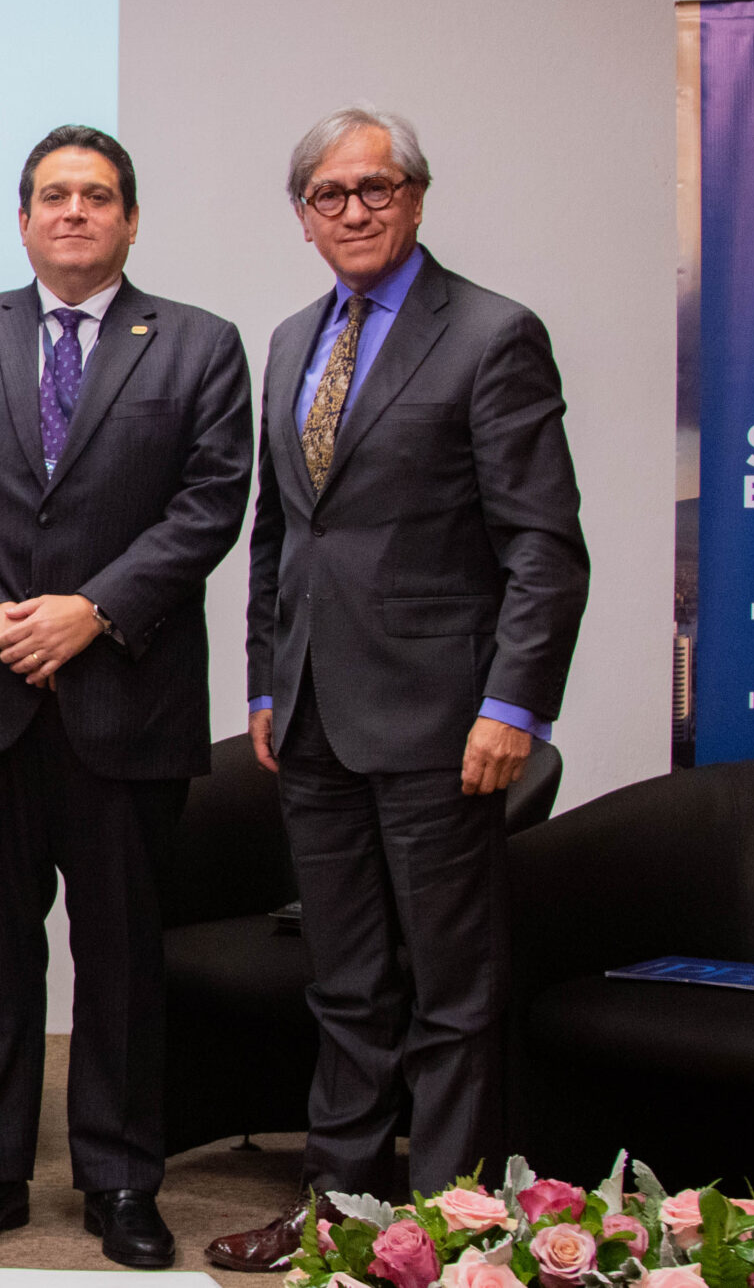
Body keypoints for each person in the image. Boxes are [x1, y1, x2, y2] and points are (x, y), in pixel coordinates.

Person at [206, 107, 587, 1270]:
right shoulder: (292, 340)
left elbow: (543, 546)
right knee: (345, 984)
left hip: (443, 722)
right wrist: (266, 684)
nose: (354, 210)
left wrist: (512, 705)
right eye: (329, 194)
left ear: (415, 198)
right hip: (312, 721)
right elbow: (282, 534)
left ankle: (448, 1235)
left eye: (376, 187)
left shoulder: (489, 334)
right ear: (302, 217)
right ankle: (338, 1213)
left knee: (451, 995)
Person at [0, 125, 253, 1269]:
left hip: (125, 699)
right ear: (24, 218)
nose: (74, 212)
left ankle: (122, 1179)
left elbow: (210, 500)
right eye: (54, 195)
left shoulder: (198, 343)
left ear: (129, 219)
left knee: (123, 959)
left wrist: (91, 609)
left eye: (96, 196)